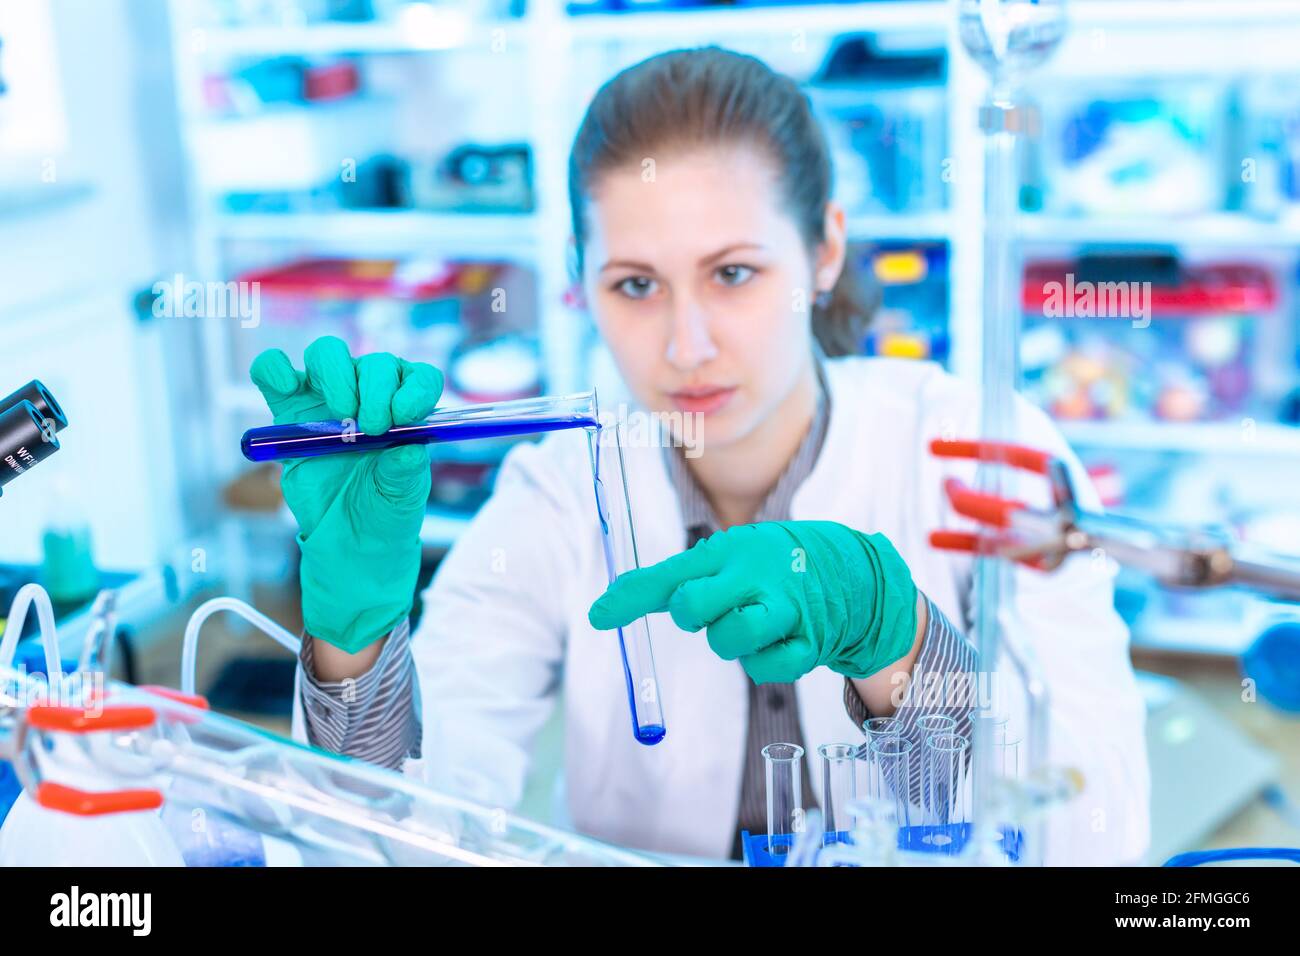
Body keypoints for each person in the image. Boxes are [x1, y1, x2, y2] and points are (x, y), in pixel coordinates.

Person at [251, 47, 1149, 864]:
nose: (686, 345)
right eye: (636, 285)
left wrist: (901, 642)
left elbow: (1094, 835)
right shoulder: (555, 494)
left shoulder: (986, 454)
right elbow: (387, 842)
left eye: (733, 274)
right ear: (580, 278)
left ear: (824, 248)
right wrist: (355, 646)